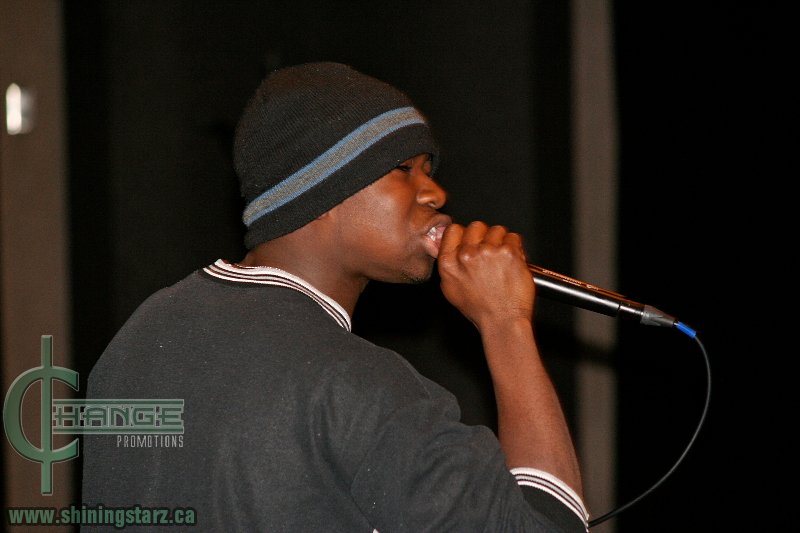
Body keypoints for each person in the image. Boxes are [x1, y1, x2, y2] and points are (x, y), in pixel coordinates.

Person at [81, 61, 589, 532]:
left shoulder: (141, 335)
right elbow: (547, 524)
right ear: (321, 189)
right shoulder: (355, 384)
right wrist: (505, 322)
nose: (435, 194)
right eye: (404, 168)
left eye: (428, 171)